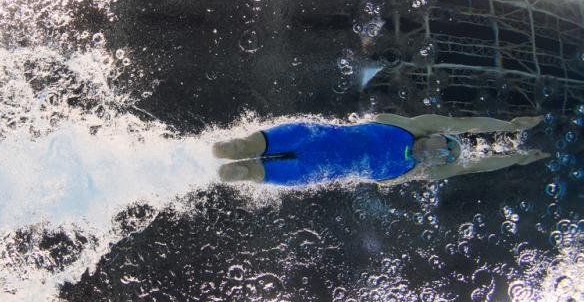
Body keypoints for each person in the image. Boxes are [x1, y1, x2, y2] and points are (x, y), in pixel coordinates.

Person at [212, 114, 550, 186]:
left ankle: (190, 174)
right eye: (446, 146)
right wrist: (512, 128)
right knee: (237, 147)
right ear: (439, 135)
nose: (441, 155)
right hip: (309, 136)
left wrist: (518, 158)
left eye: (446, 160)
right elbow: (469, 124)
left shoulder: (419, 171)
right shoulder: (413, 126)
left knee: (240, 172)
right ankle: (194, 153)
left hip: (310, 172)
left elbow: (477, 167)